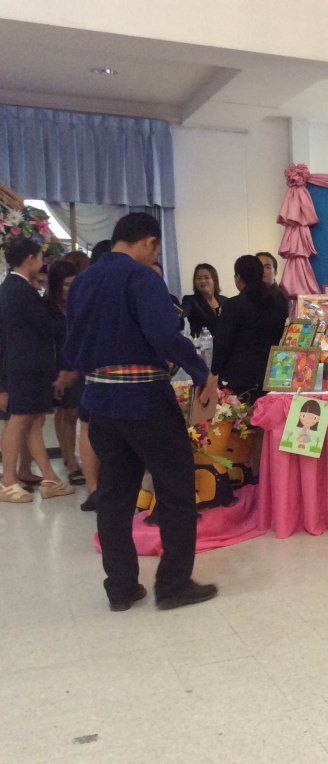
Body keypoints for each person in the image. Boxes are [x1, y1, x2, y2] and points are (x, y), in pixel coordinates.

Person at [63, 212, 218, 611]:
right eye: (155, 250)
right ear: (149, 242)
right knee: (176, 491)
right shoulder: (142, 276)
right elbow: (164, 334)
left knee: (114, 496)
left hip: (100, 402)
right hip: (145, 399)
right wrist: (200, 371)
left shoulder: (83, 282)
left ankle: (121, 587)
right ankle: (173, 585)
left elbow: (72, 344)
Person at [0, 238, 75, 502]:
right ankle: (8, 481)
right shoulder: (20, 290)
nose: (43, 263)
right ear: (30, 259)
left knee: (32, 421)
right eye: (41, 258)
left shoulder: (15, 288)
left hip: (26, 365)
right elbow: (46, 327)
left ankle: (49, 478)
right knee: (19, 420)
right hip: (25, 366)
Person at [212, 255, 289, 402]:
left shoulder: (233, 305)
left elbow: (222, 343)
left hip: (239, 379)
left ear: (238, 277)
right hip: (273, 376)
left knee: (240, 417)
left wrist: (213, 373)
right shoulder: (279, 304)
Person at [45, 259, 86, 486]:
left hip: (77, 364)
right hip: (58, 365)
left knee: (70, 412)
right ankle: (71, 461)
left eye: (74, 284)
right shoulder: (48, 308)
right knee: (67, 413)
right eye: (67, 284)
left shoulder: (77, 306)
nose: (71, 289)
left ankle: (69, 455)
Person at [181, 263, 221, 337]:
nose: (202, 281)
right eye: (198, 278)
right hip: (202, 343)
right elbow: (182, 312)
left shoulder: (225, 301)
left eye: (206, 277)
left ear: (214, 280)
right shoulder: (190, 300)